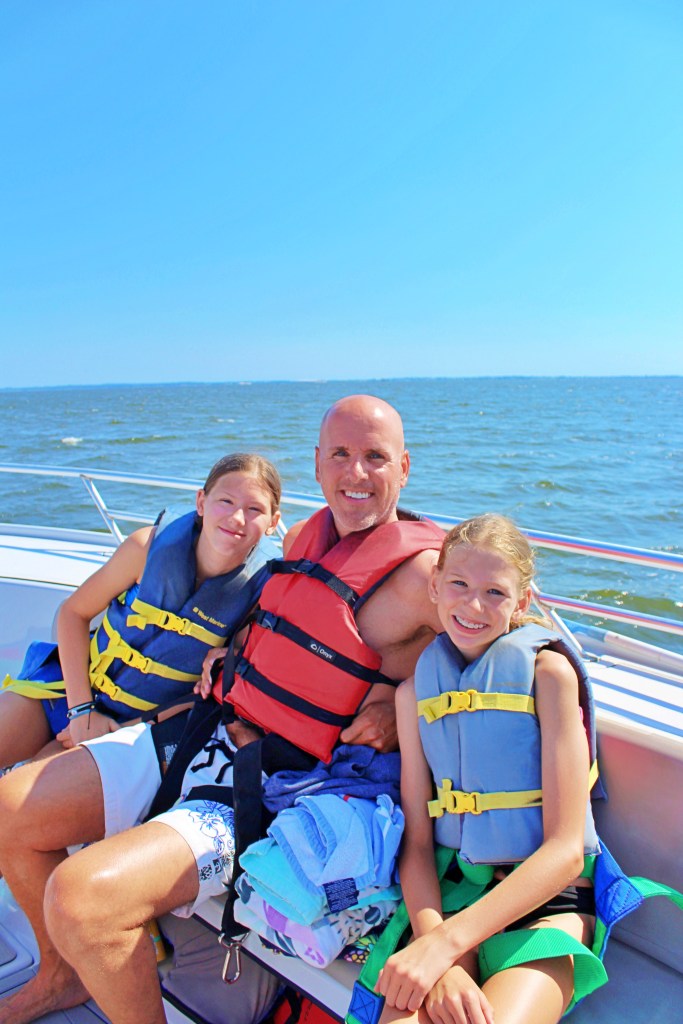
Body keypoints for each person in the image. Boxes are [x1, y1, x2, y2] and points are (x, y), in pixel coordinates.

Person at [0, 395, 445, 1024]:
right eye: (341, 454)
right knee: (10, 809)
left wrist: (398, 705)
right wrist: (234, 646)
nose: (356, 473)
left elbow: (513, 657)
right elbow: (287, 621)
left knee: (82, 898)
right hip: (199, 730)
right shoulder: (304, 538)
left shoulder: (428, 573)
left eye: (376, 457)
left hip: (270, 788)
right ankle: (61, 973)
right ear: (318, 465)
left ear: (405, 466)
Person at [374, 513, 603, 1024]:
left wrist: (443, 946)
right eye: (458, 583)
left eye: (495, 592)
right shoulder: (414, 694)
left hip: (547, 905)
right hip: (455, 896)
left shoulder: (549, 674)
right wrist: (438, 946)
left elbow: (566, 853)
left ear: (522, 601)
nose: (474, 605)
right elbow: (416, 845)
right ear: (434, 586)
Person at [0, 452, 282, 767]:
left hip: (137, 726)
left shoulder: (260, 594)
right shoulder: (144, 549)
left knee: (21, 796)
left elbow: (204, 691)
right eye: (226, 501)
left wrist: (118, 732)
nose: (237, 518)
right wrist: (81, 713)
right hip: (67, 687)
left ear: (273, 522)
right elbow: (73, 613)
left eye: (254, 508)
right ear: (201, 502)